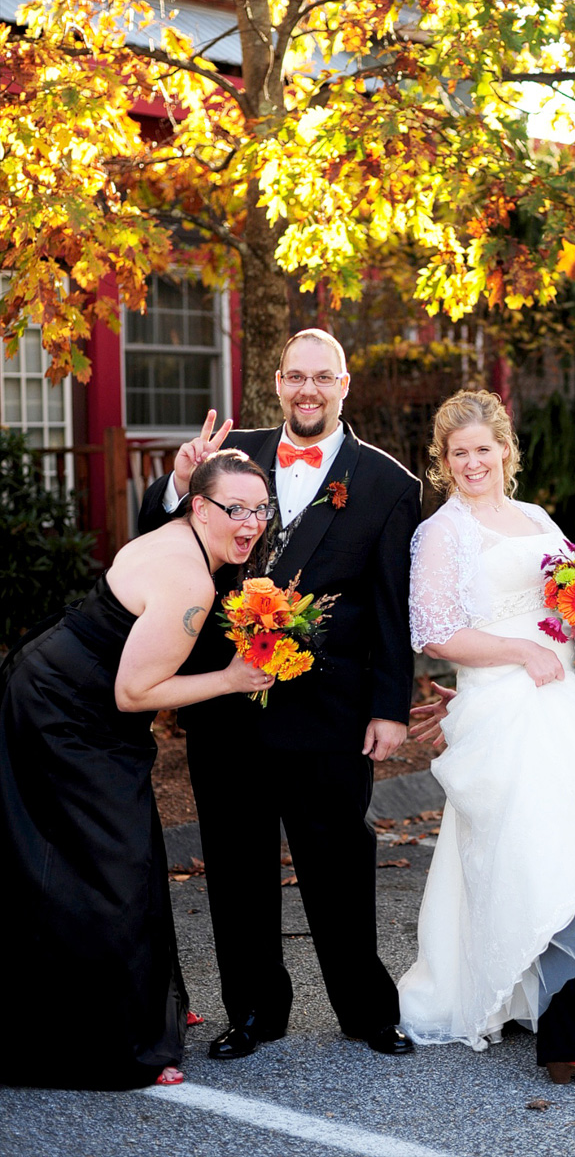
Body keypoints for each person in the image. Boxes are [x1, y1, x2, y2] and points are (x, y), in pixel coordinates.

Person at [139, 328, 422, 1059]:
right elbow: (160, 539)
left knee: (339, 864)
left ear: (344, 384)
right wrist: (176, 483)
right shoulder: (228, 460)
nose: (307, 390)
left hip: (331, 712)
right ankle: (256, 1012)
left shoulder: (389, 484)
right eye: (295, 377)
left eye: (321, 378)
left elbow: (393, 605)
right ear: (276, 382)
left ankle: (366, 1010)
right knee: (235, 867)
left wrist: (392, 706)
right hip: (226, 701)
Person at [398, 391, 575, 1085]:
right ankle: (568, 1033)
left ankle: (551, 1010)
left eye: (483, 449)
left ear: (506, 451)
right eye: (458, 453)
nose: (472, 462)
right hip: (506, 706)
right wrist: (517, 653)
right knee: (555, 857)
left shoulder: (533, 518)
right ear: (444, 462)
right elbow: (435, 633)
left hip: (566, 696)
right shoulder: (443, 532)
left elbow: (570, 600)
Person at [0, 451, 275, 1090]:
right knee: (105, 864)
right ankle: (110, 1039)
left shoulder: (177, 532)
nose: (251, 522)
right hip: (65, 712)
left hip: (60, 685)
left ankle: (145, 1006)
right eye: (235, 509)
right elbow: (135, 693)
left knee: (126, 853)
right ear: (200, 508)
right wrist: (233, 678)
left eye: (260, 508)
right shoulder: (191, 583)